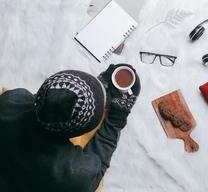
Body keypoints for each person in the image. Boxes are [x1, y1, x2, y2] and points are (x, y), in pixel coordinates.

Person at [0, 64, 140, 192]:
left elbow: (48, 101)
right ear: (79, 133)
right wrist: (116, 119)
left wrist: (91, 89)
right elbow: (96, 170)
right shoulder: (72, 173)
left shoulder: (10, 100)